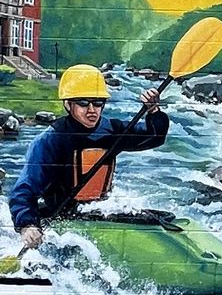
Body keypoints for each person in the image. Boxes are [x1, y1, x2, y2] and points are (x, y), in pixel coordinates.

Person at [10, 64, 169, 248]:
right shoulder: (50, 140)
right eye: (83, 103)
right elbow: (24, 188)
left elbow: (154, 137)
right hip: (61, 217)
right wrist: (27, 225)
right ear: (68, 104)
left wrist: (153, 111)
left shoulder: (113, 131)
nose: (92, 110)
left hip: (98, 210)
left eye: (98, 103)